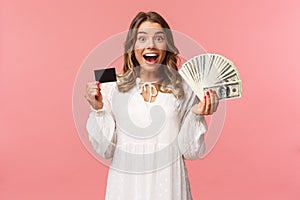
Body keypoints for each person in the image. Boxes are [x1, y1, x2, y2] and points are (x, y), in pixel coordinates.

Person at [84, 11, 219, 200]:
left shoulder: (185, 88)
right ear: (132, 46)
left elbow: (191, 151)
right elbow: (105, 150)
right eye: (142, 38)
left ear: (167, 46)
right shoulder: (111, 87)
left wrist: (197, 114)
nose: (151, 45)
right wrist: (98, 110)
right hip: (126, 186)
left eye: (159, 38)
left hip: (169, 185)